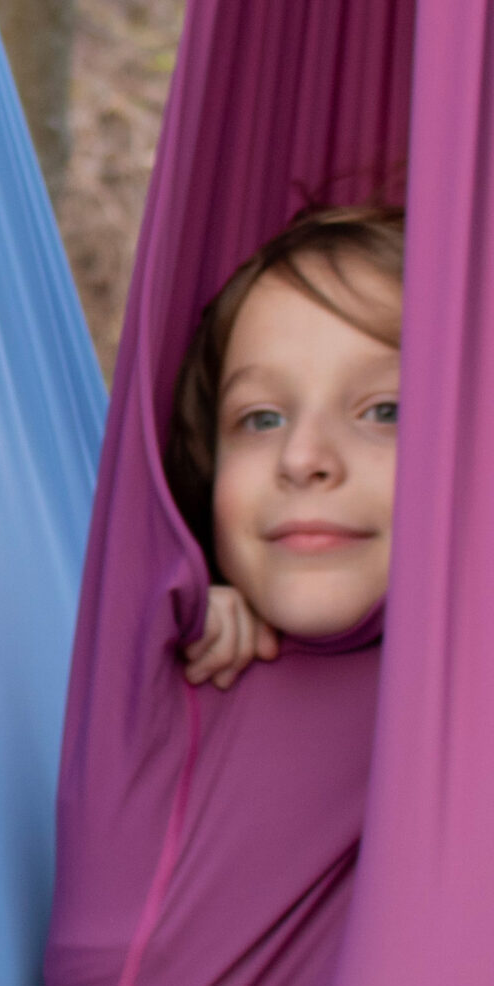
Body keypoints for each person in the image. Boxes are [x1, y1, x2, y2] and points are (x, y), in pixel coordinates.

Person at [166, 204, 404, 690]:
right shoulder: (155, 692)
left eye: (385, 412)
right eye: (262, 419)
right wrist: (151, 642)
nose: (301, 459)